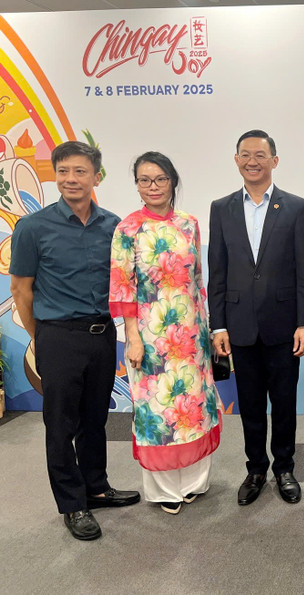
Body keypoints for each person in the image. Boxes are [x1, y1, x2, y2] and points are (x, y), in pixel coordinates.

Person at [9, 141, 140, 540]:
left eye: (80, 171)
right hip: (58, 336)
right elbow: (20, 290)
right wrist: (42, 337)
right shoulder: (33, 228)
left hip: (102, 336)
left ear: (96, 177)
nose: (70, 179)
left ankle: (96, 486)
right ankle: (72, 504)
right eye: (63, 171)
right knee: (59, 424)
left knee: (95, 420)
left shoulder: (115, 226)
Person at [208, 130, 304, 506]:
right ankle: (255, 469)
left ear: (275, 160)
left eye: (260, 154)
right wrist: (217, 324)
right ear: (236, 159)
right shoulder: (221, 208)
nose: (252, 161)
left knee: (284, 402)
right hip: (238, 325)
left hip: (284, 324)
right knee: (250, 403)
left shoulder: (295, 206)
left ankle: (284, 468)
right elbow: (217, 271)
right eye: (245, 155)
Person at [109, 151, 221, 514]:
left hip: (192, 334)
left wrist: (207, 329)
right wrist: (133, 337)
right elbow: (122, 288)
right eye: (144, 180)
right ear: (137, 185)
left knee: (193, 409)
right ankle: (164, 491)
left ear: (173, 181)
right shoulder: (128, 228)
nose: (153, 186)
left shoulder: (189, 223)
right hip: (151, 337)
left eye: (160, 179)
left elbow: (199, 280)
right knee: (160, 411)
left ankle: (193, 483)